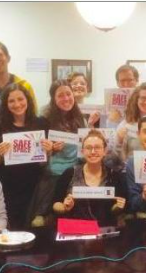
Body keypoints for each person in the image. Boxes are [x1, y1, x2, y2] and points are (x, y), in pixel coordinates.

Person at [0, 83, 52, 229]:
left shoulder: (41, 123)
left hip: (34, 184)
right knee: (12, 227)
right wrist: (0, 155)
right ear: (5, 104)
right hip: (8, 186)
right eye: (11, 101)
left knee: (33, 227)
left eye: (20, 99)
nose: (17, 104)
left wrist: (48, 150)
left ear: (28, 100)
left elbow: (45, 161)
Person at [29, 80, 87, 227]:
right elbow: (38, 156)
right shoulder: (44, 120)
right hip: (53, 171)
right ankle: (43, 215)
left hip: (76, 170)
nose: (66, 98)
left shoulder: (81, 119)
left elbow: (84, 147)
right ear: (53, 99)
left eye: (68, 94)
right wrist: (50, 150)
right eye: (60, 95)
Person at [52, 130, 127, 226]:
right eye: (88, 148)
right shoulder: (69, 173)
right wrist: (64, 207)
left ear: (105, 151)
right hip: (75, 228)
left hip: (104, 228)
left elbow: (114, 211)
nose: (93, 152)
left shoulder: (115, 176)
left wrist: (118, 207)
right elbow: (55, 204)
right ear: (82, 151)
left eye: (97, 147)